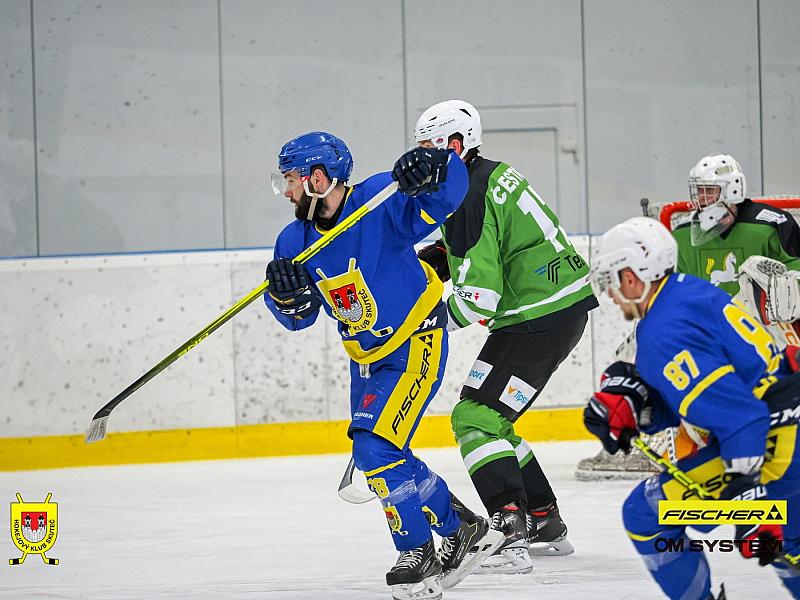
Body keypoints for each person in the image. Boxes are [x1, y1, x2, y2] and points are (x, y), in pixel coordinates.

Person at [263, 131, 503, 600]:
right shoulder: (292, 241)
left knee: (374, 449)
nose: (286, 191)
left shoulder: (378, 198)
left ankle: (417, 552)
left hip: (416, 340)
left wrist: (435, 166)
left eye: (290, 179)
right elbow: (299, 317)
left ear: (317, 179)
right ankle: (462, 528)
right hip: (367, 361)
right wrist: (284, 296)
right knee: (385, 455)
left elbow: (447, 199)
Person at [414, 100, 598, 573]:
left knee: (475, 417)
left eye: (431, 146)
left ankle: (509, 532)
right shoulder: (488, 174)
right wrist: (441, 255)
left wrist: (428, 322)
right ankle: (543, 520)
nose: (422, 157)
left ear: (457, 145)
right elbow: (494, 240)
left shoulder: (465, 195)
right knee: (491, 418)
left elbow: (479, 298)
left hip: (538, 316)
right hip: (550, 309)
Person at [584, 216, 800, 599]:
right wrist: (643, 411)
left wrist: (750, 501)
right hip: (784, 419)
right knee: (790, 545)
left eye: (610, 281)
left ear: (631, 278)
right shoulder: (689, 290)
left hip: (773, 445)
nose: (611, 295)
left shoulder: (661, 332)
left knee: (644, 514)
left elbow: (741, 416)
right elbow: (706, 393)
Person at [577, 153, 800, 478]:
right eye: (699, 191)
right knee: (636, 350)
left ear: (733, 190)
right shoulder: (683, 236)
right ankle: (650, 429)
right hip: (716, 336)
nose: (702, 200)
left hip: (765, 339)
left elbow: (793, 276)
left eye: (710, 191)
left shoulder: (770, 224)